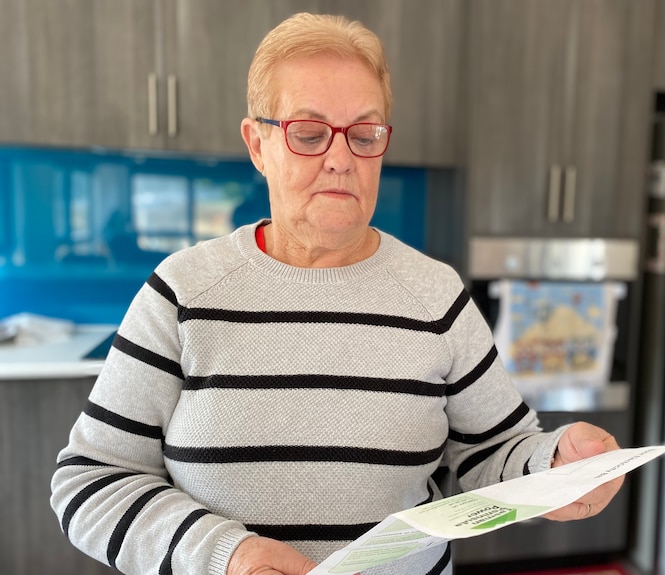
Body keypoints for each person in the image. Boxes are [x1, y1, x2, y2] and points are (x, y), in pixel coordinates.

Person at [50, 12, 624, 575]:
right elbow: (92, 480)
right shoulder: (183, 293)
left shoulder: (436, 297)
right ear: (258, 144)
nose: (341, 159)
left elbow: (493, 450)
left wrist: (555, 467)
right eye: (307, 132)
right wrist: (227, 556)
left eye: (365, 133)